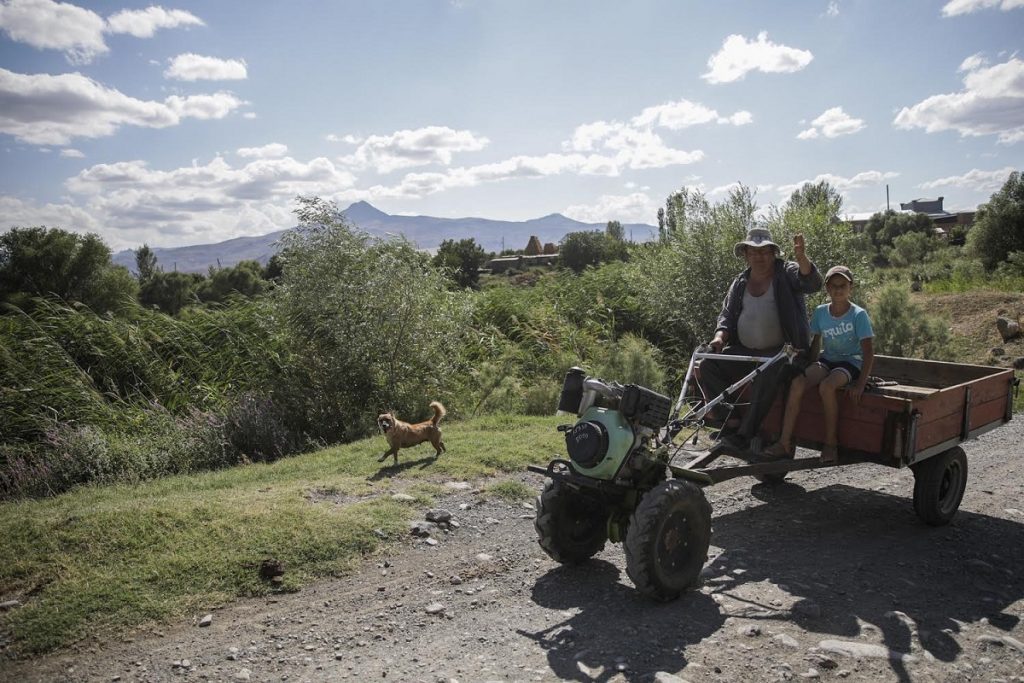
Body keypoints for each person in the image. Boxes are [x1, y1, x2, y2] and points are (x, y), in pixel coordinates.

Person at [700, 227, 823, 455]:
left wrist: (802, 258)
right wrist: (719, 338)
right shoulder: (739, 282)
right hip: (746, 352)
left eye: (765, 251)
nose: (760, 257)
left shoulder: (786, 273)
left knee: (768, 371)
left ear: (773, 253)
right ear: (746, 254)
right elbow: (726, 316)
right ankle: (732, 422)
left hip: (785, 353)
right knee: (708, 364)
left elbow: (812, 284)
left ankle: (744, 436)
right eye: (754, 252)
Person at [764, 265, 875, 463]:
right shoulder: (821, 312)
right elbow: (816, 342)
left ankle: (831, 443)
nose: (838, 289)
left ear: (851, 287)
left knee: (827, 387)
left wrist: (860, 383)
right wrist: (809, 368)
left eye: (843, 285)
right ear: (827, 289)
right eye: (833, 286)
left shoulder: (858, 315)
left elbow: (868, 352)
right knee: (797, 383)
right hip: (828, 359)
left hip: (850, 362)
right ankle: (784, 442)